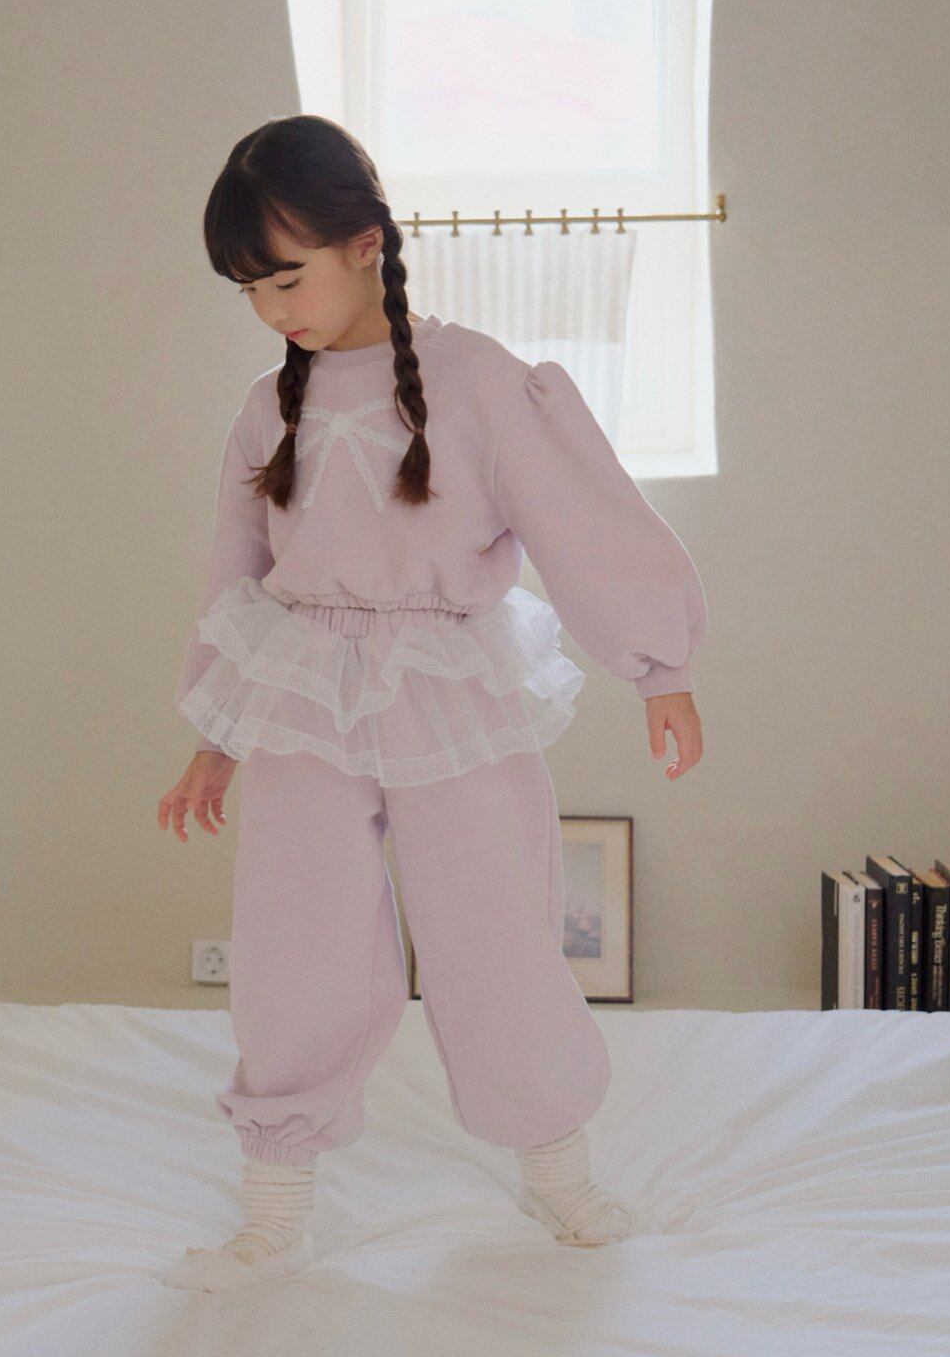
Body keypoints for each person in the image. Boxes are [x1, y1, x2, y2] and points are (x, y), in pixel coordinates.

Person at [156, 114, 707, 1292]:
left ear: (364, 241)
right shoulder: (265, 406)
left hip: (450, 695)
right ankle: (275, 1210)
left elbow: (579, 518)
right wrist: (213, 740)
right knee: (292, 944)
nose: (269, 309)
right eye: (248, 288)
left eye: (285, 277)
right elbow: (233, 578)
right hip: (302, 701)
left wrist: (657, 669)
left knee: (493, 935)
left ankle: (555, 1173)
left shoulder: (478, 381)